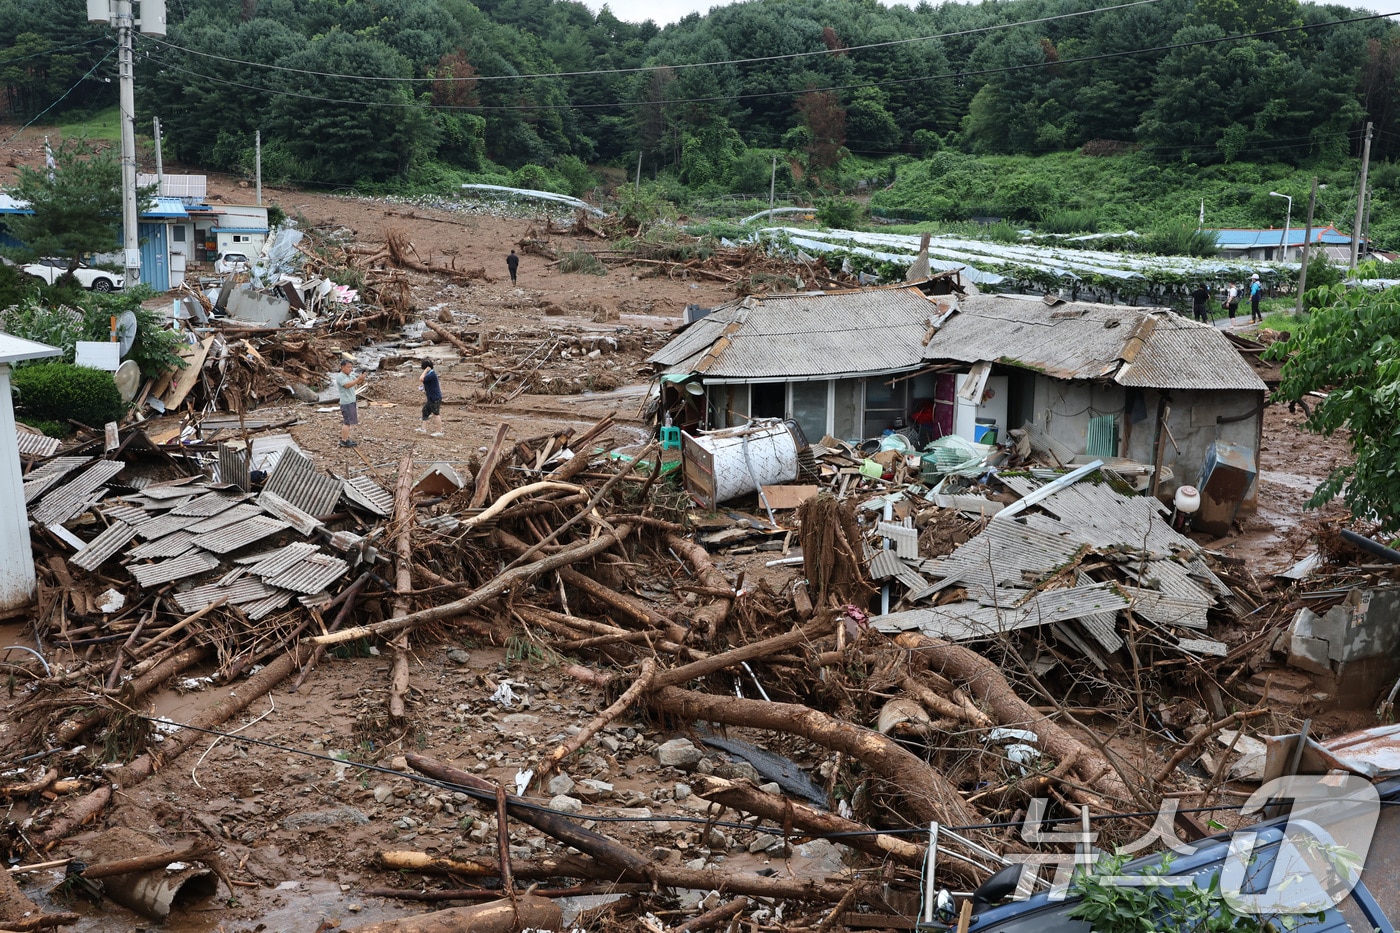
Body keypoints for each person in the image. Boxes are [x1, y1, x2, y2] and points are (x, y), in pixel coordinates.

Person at [334, 356, 368, 448]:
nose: (350, 369)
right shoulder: (340, 377)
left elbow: (358, 382)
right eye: (348, 367)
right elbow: (347, 385)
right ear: (342, 367)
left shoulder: (350, 375)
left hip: (351, 401)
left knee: (349, 421)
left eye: (351, 367)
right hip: (346, 402)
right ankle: (344, 440)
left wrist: (362, 378)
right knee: (347, 422)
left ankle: (346, 438)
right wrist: (358, 380)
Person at [417, 358, 444, 437]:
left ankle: (440, 431)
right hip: (431, 397)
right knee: (425, 411)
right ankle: (423, 428)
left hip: (435, 398)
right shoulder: (430, 374)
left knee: (436, 414)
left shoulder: (431, 374)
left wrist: (425, 370)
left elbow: (421, 379)